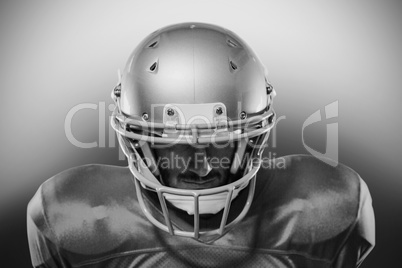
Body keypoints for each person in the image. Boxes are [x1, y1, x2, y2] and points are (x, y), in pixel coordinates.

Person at [27, 22, 375, 268]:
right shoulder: (76, 220)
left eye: (221, 142)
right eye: (175, 143)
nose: (202, 165)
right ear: (136, 143)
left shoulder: (324, 209)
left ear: (254, 136)